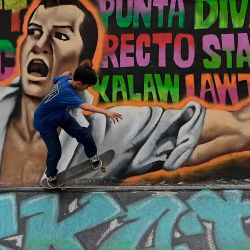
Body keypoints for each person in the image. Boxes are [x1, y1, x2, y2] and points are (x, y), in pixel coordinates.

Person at [0, 0, 250, 186]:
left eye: (60, 35)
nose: (39, 45)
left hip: (69, 126)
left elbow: (236, 125)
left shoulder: (108, 132)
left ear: (83, 65)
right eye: (33, 32)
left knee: (86, 139)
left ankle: (82, 162)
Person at [34, 62, 122, 187]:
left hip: (60, 115)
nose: (86, 89)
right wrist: (106, 112)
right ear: (79, 83)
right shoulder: (66, 91)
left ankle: (93, 156)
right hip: (44, 122)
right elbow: (84, 106)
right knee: (55, 150)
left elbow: (55, 79)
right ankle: (51, 175)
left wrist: (64, 74)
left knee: (84, 135)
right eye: (86, 87)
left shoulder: (67, 80)